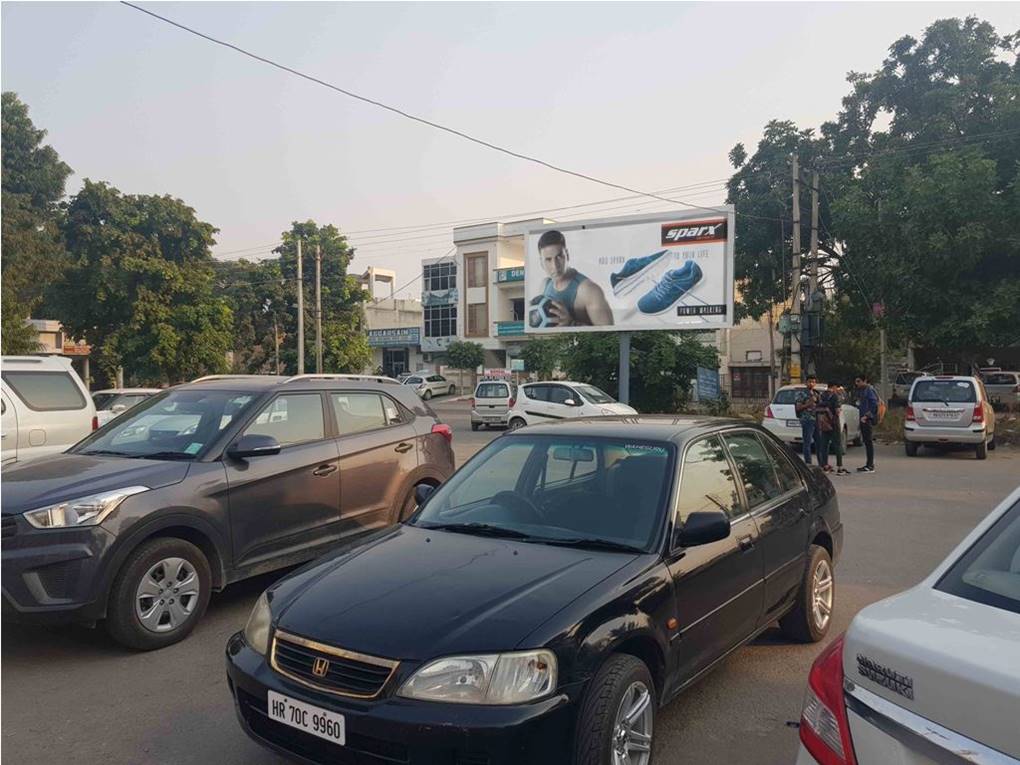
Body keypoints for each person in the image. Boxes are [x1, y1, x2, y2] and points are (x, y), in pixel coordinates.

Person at [537, 230, 614, 326]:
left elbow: (610, 336)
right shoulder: (544, 285)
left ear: (567, 255)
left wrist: (571, 323)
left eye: (559, 257)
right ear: (541, 262)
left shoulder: (589, 291)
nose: (555, 266)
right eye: (548, 260)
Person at [819, 382, 849, 475]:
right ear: (834, 387)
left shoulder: (822, 395)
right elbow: (837, 410)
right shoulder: (835, 396)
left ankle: (825, 466)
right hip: (834, 424)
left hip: (824, 423)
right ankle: (840, 467)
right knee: (838, 445)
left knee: (824, 445)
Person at [855, 374, 879, 473]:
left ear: (865, 381)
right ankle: (868, 464)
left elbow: (874, 404)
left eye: (859, 381)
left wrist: (866, 416)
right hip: (862, 419)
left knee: (868, 442)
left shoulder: (869, 390)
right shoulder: (862, 391)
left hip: (867, 419)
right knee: (866, 442)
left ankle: (870, 465)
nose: (857, 383)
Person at [794, 375, 821, 465]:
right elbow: (798, 408)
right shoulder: (801, 394)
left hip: (816, 419)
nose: (811, 383)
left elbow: (819, 406)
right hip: (807, 420)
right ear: (806, 382)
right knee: (807, 443)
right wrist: (808, 404)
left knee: (819, 442)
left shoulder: (816, 393)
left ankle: (822, 463)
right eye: (810, 381)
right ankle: (808, 464)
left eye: (813, 382)